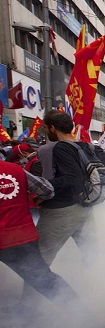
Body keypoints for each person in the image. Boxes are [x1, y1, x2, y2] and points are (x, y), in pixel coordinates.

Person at [0, 160, 79, 304]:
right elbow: (47, 190)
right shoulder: (15, 169)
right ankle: (84, 316)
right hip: (21, 236)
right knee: (43, 279)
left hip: (13, 238)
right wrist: (37, 200)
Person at [29, 110, 98, 275]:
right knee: (92, 255)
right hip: (85, 209)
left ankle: (32, 299)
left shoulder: (60, 148)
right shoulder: (87, 146)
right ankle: (97, 287)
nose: (45, 132)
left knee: (37, 262)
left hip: (60, 211)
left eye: (45, 128)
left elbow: (71, 179)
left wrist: (42, 188)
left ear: (52, 128)